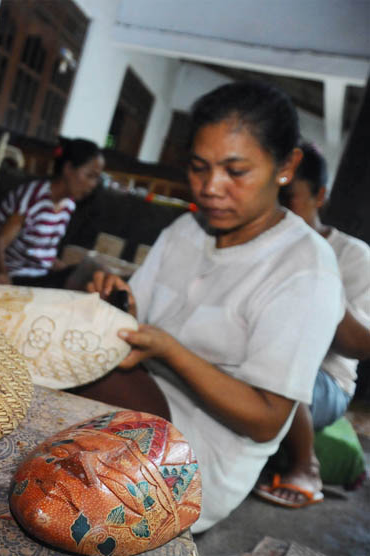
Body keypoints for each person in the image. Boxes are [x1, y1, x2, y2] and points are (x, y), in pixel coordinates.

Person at [72, 81, 344, 532]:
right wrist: (114, 305)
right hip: (145, 392)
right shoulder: (185, 229)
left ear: (287, 166)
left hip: (203, 454)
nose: (211, 187)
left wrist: (169, 349)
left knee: (83, 380)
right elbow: (137, 325)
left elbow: (267, 420)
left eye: (236, 172)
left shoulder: (306, 269)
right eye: (199, 168)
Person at [254, 142, 370, 507]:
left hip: (324, 381)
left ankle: (307, 466)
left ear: (320, 196)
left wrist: (315, 278)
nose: (281, 211)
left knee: (282, 357)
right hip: (255, 358)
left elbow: (360, 344)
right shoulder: (259, 243)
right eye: (273, 197)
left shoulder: (353, 256)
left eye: (290, 198)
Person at [0, 138, 105, 287]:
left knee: (90, 274)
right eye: (90, 176)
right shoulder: (32, 197)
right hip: (16, 277)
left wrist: (69, 270)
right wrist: (1, 273)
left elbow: (42, 257)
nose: (93, 184)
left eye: (96, 178)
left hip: (39, 277)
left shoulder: (68, 205)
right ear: (68, 169)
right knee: (85, 276)